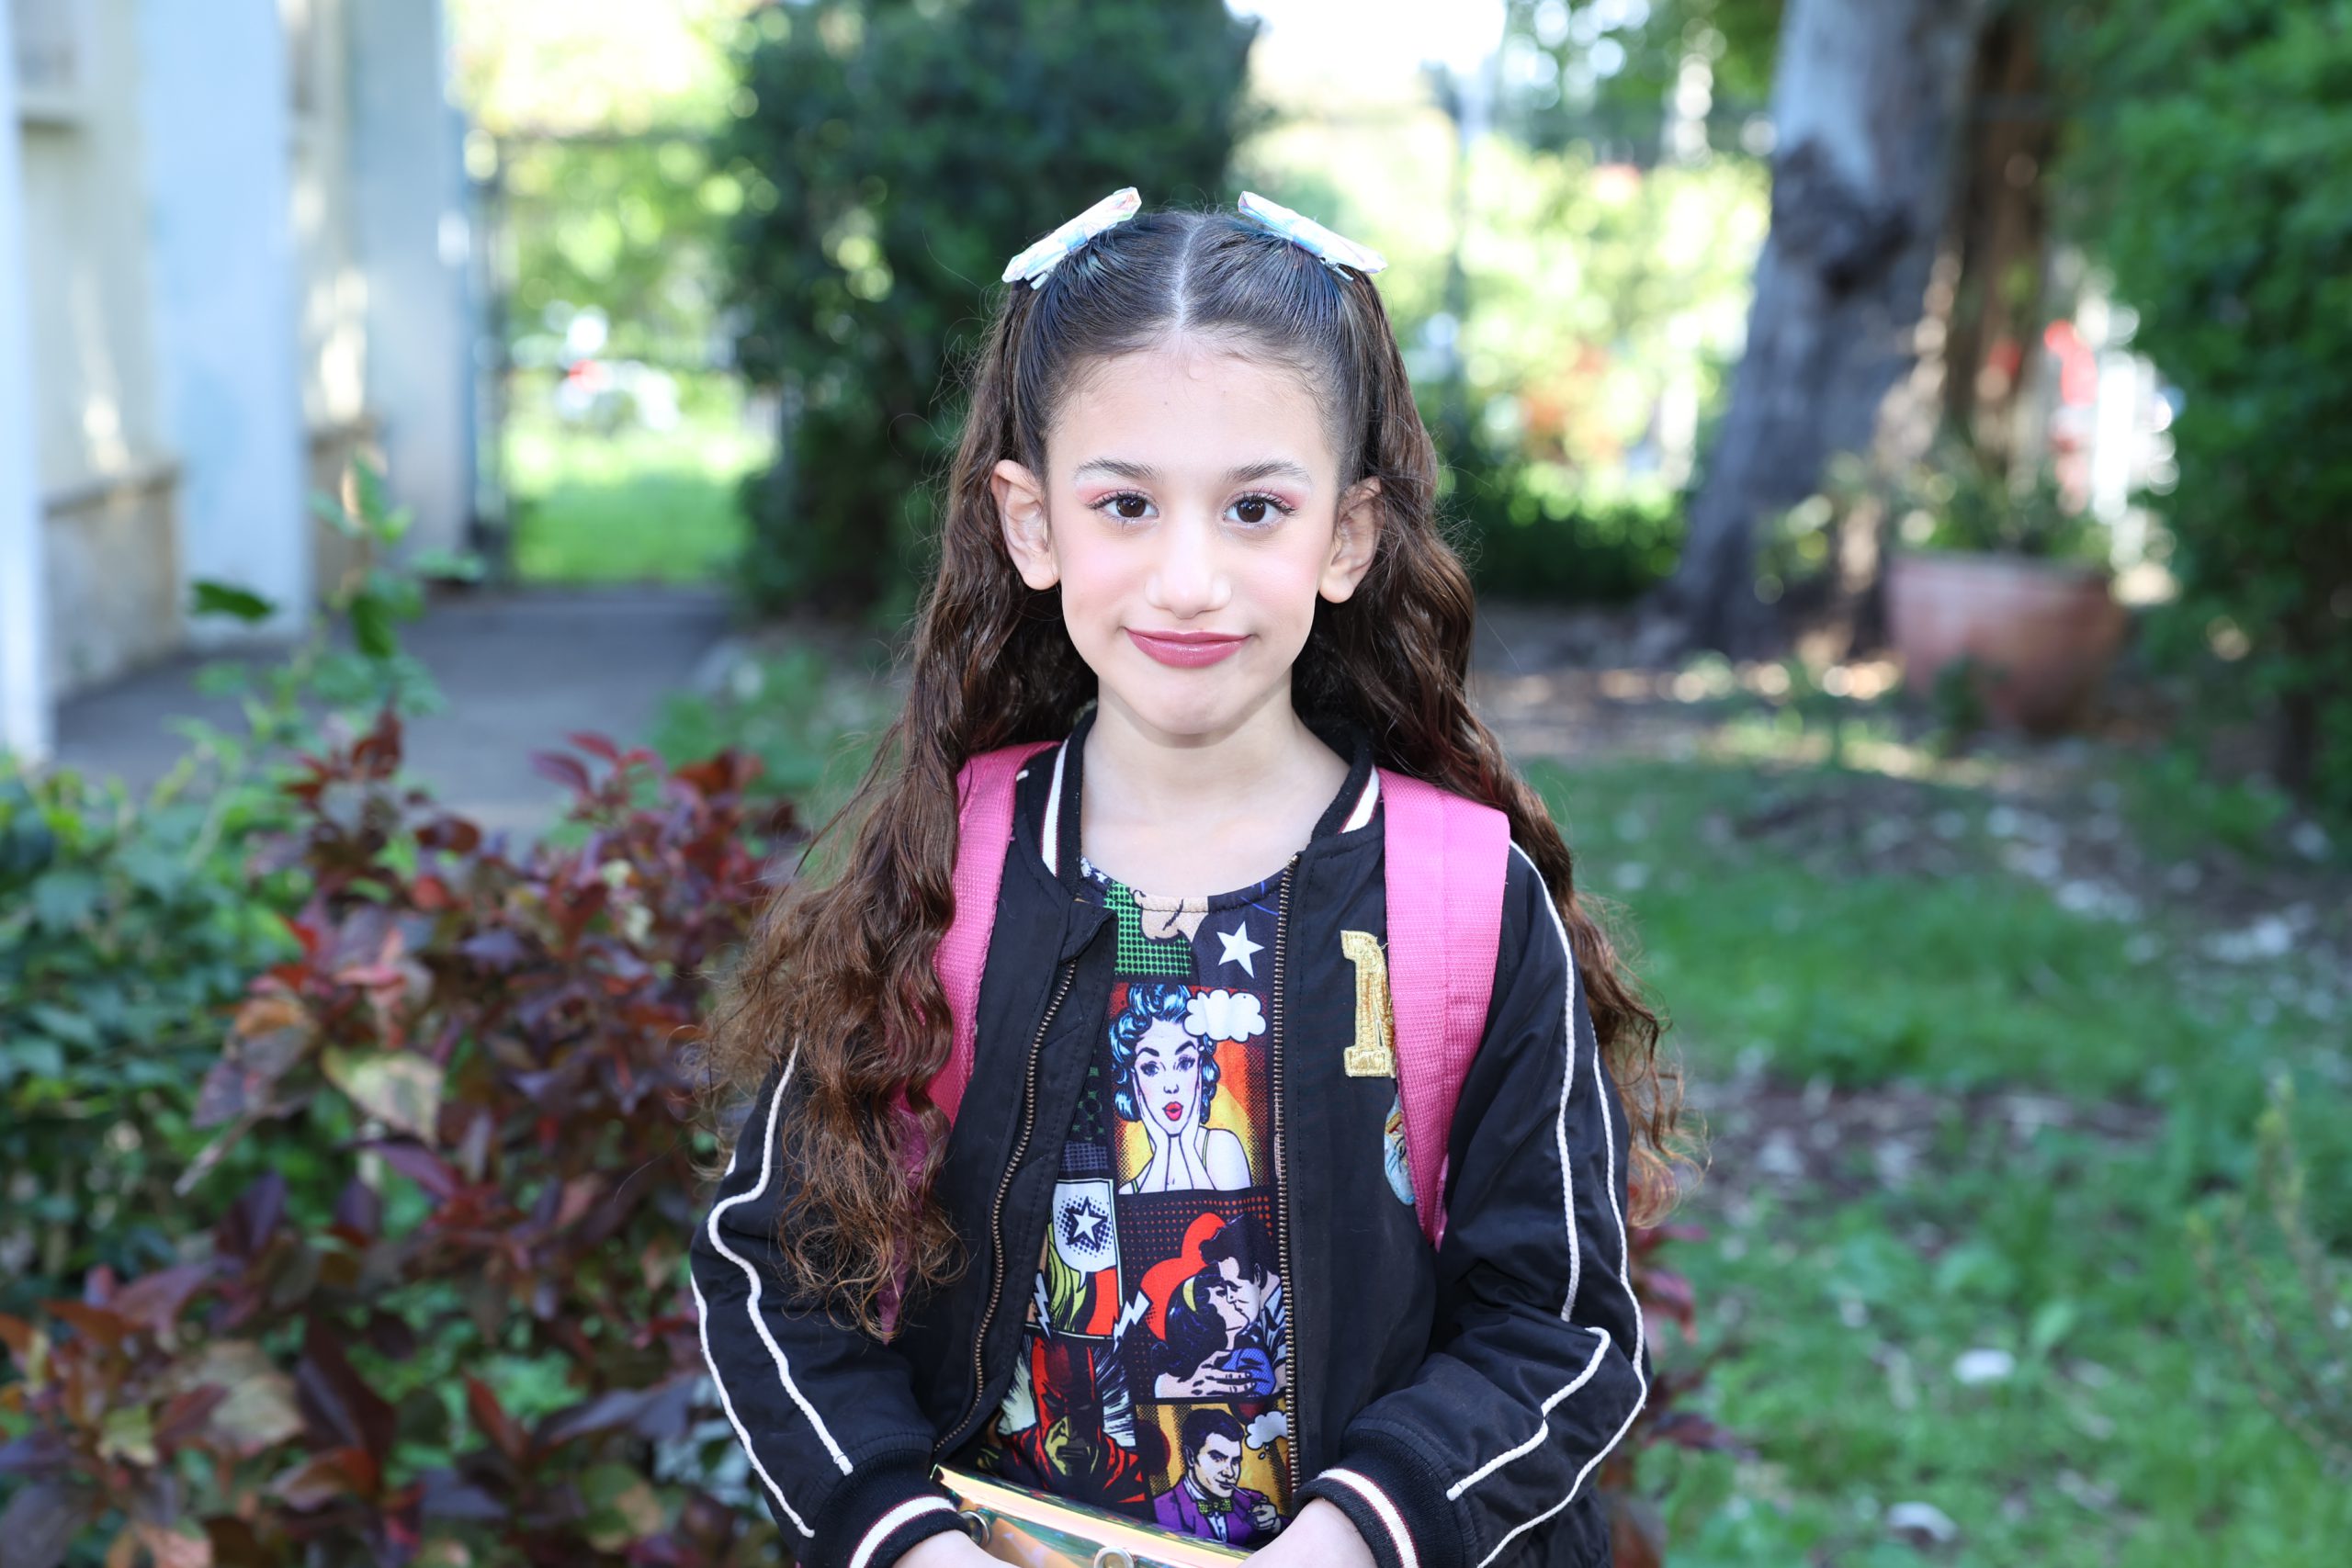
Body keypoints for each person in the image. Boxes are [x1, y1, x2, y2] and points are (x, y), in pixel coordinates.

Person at [686, 190, 1686, 1568]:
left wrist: (1352, 1538)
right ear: (1033, 525)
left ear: (1347, 537)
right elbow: (775, 1279)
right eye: (1126, 505)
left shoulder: (1461, 899)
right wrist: (907, 1541)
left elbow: (1555, 1328)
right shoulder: (945, 873)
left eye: (1256, 508)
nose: (1190, 578)